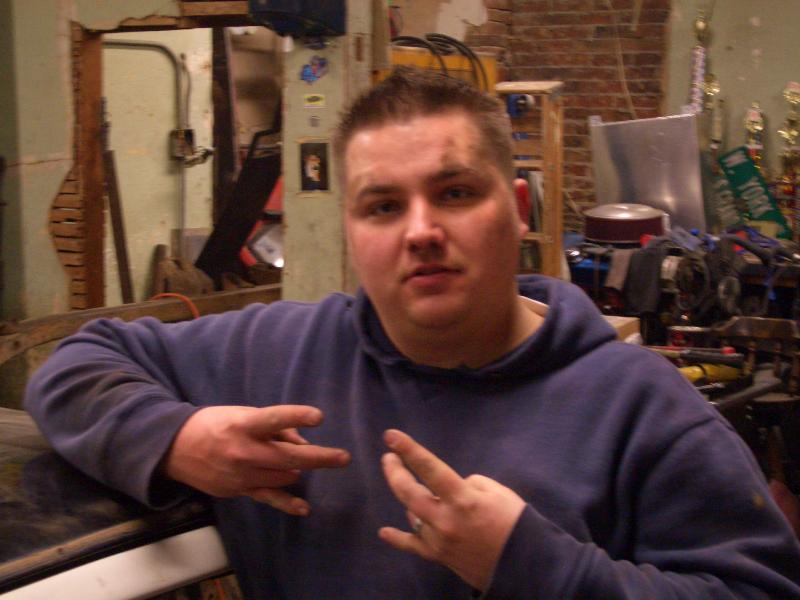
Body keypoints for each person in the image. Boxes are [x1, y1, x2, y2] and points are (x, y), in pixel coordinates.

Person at [25, 66, 800, 599]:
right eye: (384, 206)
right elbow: (78, 362)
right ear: (351, 230)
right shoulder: (276, 355)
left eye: (455, 192)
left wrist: (533, 567)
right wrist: (175, 438)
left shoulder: (638, 407)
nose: (421, 230)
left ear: (519, 213)